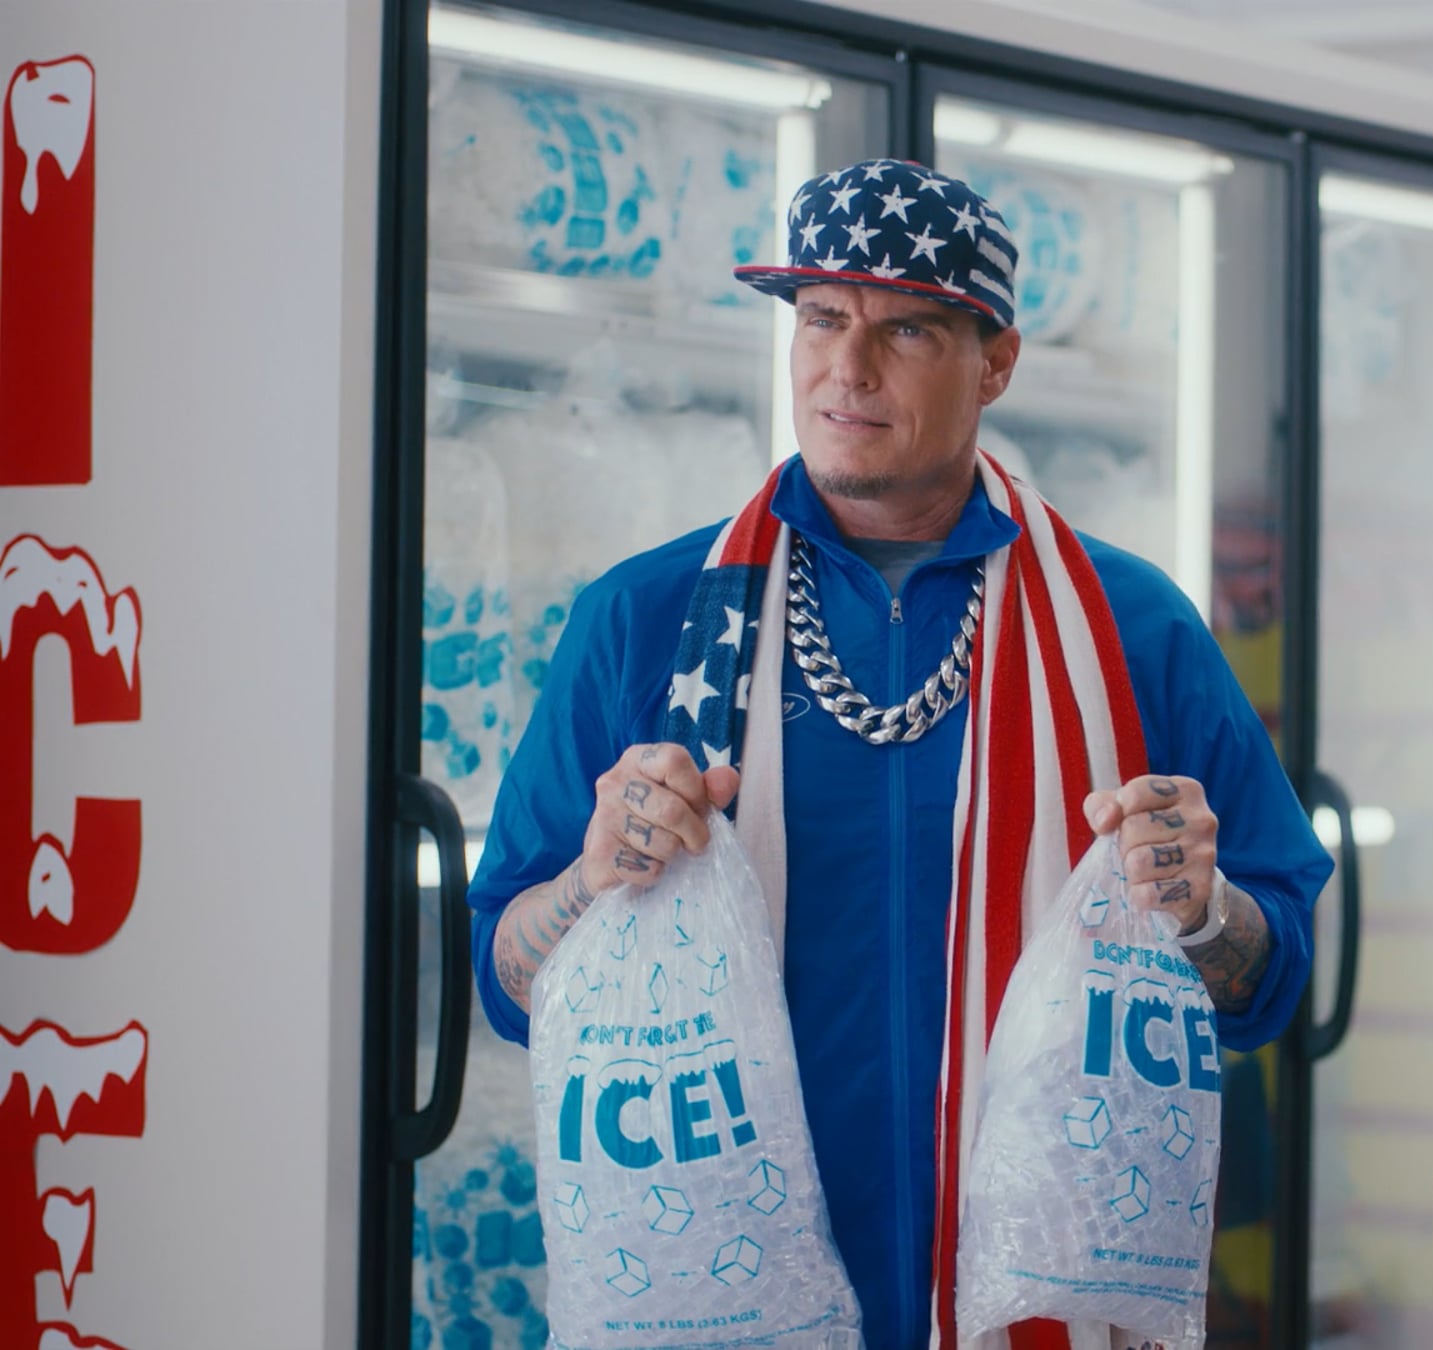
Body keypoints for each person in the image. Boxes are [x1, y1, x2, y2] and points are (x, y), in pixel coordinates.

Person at [465, 158, 1332, 1350]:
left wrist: (1203, 910)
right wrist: (587, 881)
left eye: (906, 329)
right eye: (822, 318)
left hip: (1031, 1307)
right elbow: (508, 984)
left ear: (996, 362)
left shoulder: (1132, 629)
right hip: (731, 1301)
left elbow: (1270, 983)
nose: (848, 366)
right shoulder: (646, 618)